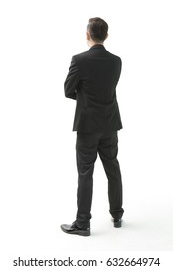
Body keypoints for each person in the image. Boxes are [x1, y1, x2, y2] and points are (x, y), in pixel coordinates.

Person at [61, 17, 124, 236]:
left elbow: (68, 90)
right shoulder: (116, 61)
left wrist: (85, 97)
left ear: (87, 34)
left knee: (85, 173)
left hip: (88, 126)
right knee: (113, 169)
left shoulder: (79, 60)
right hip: (110, 124)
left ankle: (82, 223)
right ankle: (117, 215)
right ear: (106, 36)